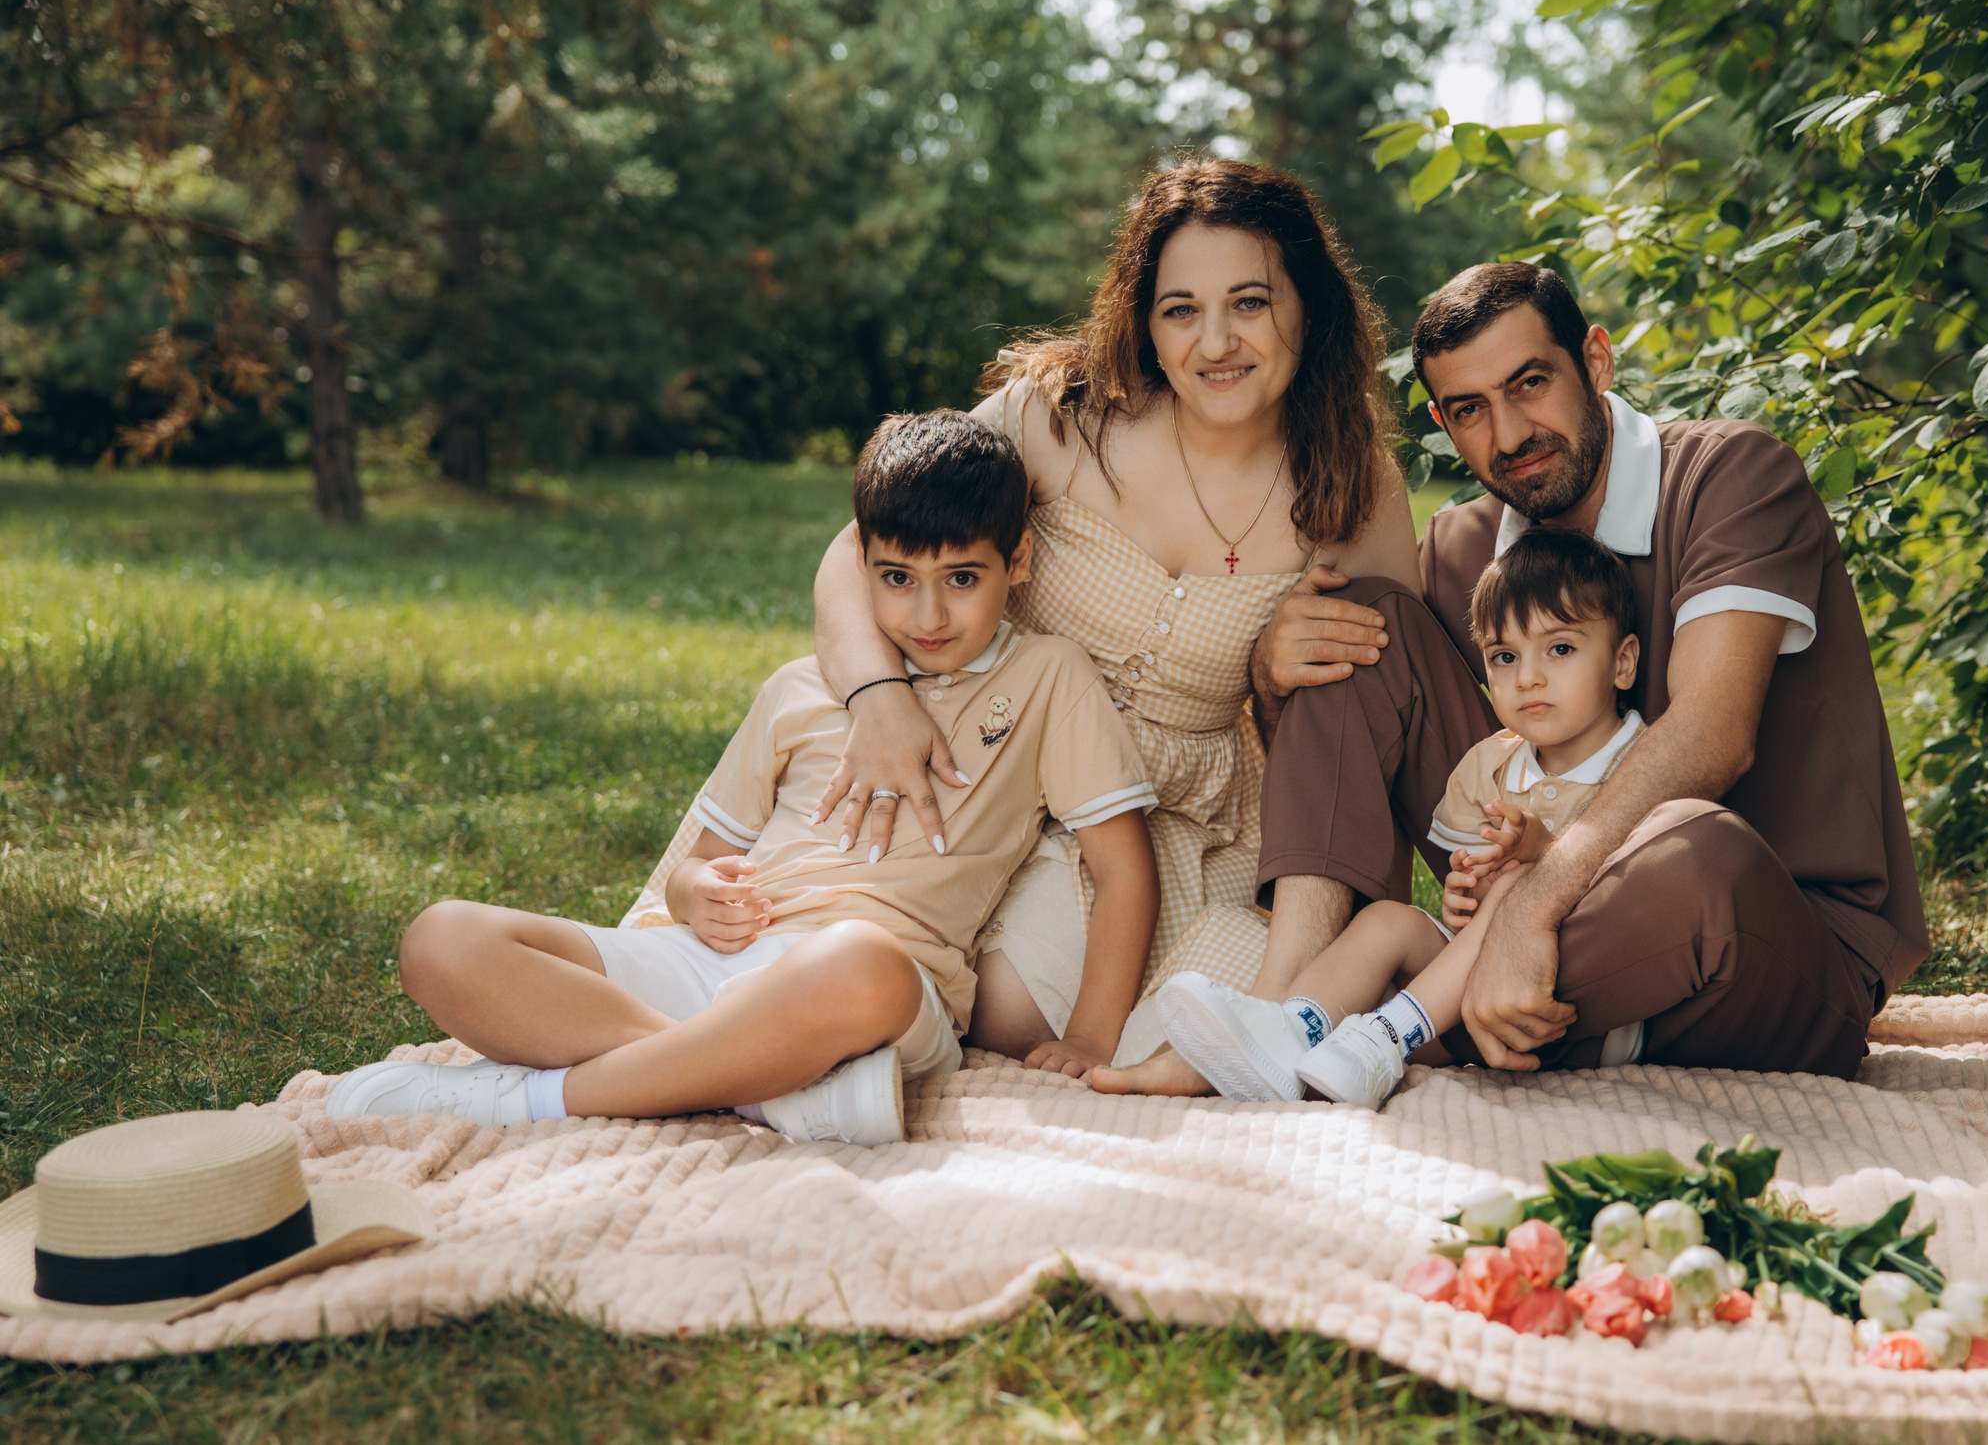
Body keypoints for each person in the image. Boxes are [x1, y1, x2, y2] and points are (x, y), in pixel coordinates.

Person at [328, 412, 1161, 1143]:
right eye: (898, 578)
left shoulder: (1049, 678)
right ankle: (760, 1085)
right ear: (861, 562)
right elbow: (695, 863)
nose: (928, 615)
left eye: (962, 580)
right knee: (442, 939)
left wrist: (1091, 1035)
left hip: (867, 988)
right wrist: (698, 895)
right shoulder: (799, 687)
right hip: (707, 967)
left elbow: (1120, 867)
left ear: (1016, 562)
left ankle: (539, 1100)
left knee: (859, 960)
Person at [1219, 260, 1930, 1085]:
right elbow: (1356, 745)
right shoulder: (1462, 552)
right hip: (1536, 940)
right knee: (1360, 626)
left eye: (1530, 383)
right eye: (1469, 411)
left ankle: (1401, 1017)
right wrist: (1274, 684)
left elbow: (1714, 733)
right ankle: (1293, 1015)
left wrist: (1531, 903)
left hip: (1763, 945)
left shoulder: (1729, 475)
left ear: (1595, 361)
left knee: (1698, 842)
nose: (1510, 434)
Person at [799, 158, 1419, 1075]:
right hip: (989, 762)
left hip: (1174, 825)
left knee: (1024, 1008)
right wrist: (879, 694)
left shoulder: (1351, 487)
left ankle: (1263, 1006)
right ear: (1144, 317)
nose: (1216, 342)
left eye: (1249, 302)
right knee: (867, 953)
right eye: (1181, 309)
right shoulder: (1060, 418)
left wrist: (1268, 685)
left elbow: (1368, 728)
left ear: (1308, 307)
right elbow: (863, 550)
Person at [1150, 530, 1650, 1109]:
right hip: (1468, 998)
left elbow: (1633, 881)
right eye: (1505, 657)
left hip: (1579, 1009)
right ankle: (1288, 1032)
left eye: (1559, 649)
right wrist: (1466, 891)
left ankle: (1381, 1041)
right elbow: (1464, 885)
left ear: (1622, 661)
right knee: (1390, 920)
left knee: (1520, 884)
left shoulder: (1640, 761)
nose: (1528, 677)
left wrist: (1539, 853)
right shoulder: (1490, 764)